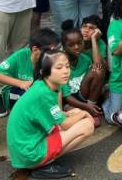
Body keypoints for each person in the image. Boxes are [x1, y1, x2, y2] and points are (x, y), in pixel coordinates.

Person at [6, 49, 94, 179]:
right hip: (29, 153)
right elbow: (64, 125)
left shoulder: (42, 85)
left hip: (25, 148)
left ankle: (44, 160)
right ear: (44, 71)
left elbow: (53, 114)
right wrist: (85, 113)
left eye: (67, 66)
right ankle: (43, 164)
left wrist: (72, 113)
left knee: (75, 112)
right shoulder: (43, 93)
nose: (65, 71)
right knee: (87, 125)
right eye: (59, 67)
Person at [0, 28, 60, 115]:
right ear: (35, 49)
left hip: (39, 92)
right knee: (29, 94)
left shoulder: (53, 58)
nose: (53, 53)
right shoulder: (21, 55)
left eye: (55, 50)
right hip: (17, 92)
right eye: (49, 50)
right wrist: (21, 83)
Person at [61, 21, 105, 126]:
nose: (76, 47)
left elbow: (98, 67)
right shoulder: (60, 64)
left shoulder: (85, 59)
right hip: (68, 101)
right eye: (71, 45)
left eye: (79, 43)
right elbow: (66, 96)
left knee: (97, 71)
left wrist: (88, 106)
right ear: (64, 47)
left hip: (82, 95)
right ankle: (86, 111)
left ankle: (91, 108)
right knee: (78, 117)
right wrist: (85, 107)